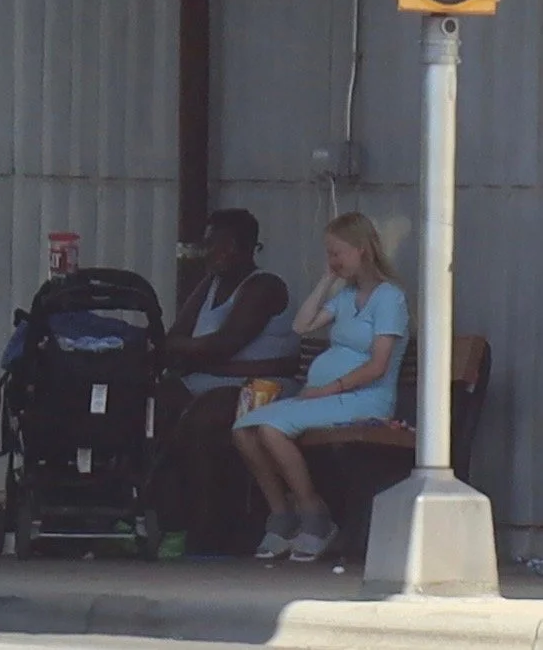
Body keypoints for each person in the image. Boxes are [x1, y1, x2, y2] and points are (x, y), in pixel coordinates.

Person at [232, 211, 409, 562]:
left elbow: (377, 366)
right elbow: (302, 326)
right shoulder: (345, 298)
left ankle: (315, 517)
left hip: (363, 399)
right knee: (243, 430)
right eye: (328, 253)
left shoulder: (390, 299)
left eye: (337, 253)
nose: (332, 260)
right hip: (325, 397)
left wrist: (327, 389)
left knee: (270, 429)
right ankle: (282, 515)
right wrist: (326, 280)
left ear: (362, 250)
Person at [154, 208, 299, 552]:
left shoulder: (264, 286)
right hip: (210, 379)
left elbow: (226, 344)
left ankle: (210, 529)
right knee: (153, 405)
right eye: (210, 245)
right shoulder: (210, 283)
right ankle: (161, 518)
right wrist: (195, 352)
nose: (213, 253)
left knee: (203, 420)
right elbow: (172, 339)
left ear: (247, 248)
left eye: (223, 245)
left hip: (263, 387)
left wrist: (195, 353)